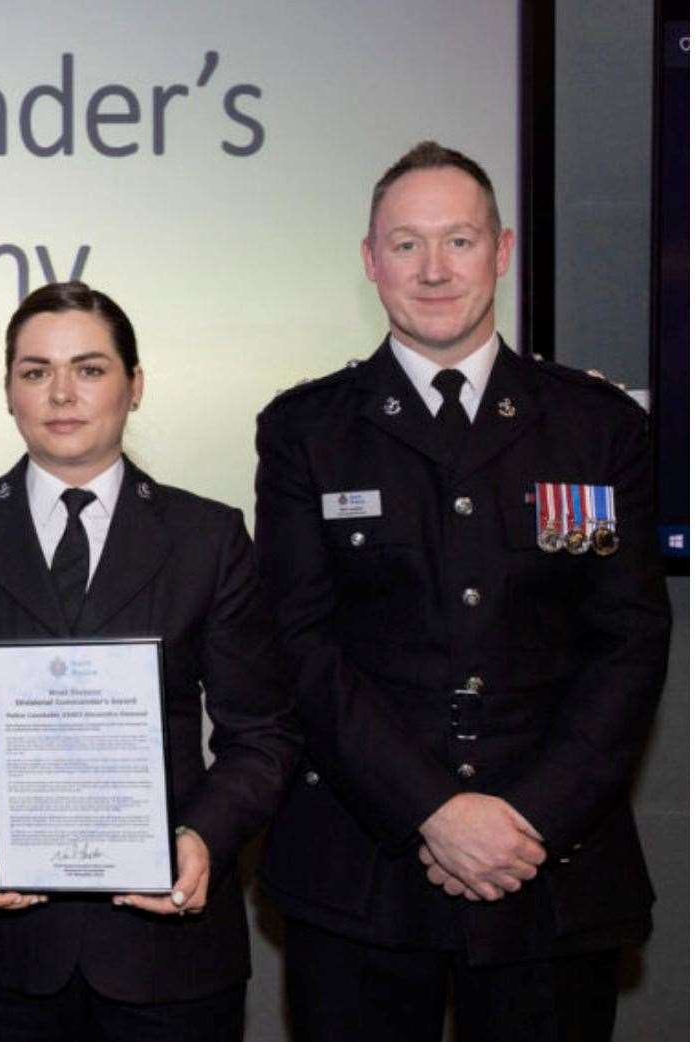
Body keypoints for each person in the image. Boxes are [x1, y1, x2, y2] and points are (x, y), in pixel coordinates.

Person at [254, 141, 672, 1042]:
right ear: (370, 262)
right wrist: (435, 812)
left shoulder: (597, 427)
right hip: (365, 871)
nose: (435, 270)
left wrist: (525, 819)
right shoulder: (306, 430)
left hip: (550, 867)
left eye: (460, 240)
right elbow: (299, 644)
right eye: (406, 245)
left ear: (503, 250)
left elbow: (629, 642)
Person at [0, 283, 300, 1041]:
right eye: (34, 370)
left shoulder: (208, 537)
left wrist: (203, 839)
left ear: (134, 385)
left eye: (88, 369)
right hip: (1, 953)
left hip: (169, 951)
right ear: (8, 391)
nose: (60, 393)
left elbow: (263, 734)